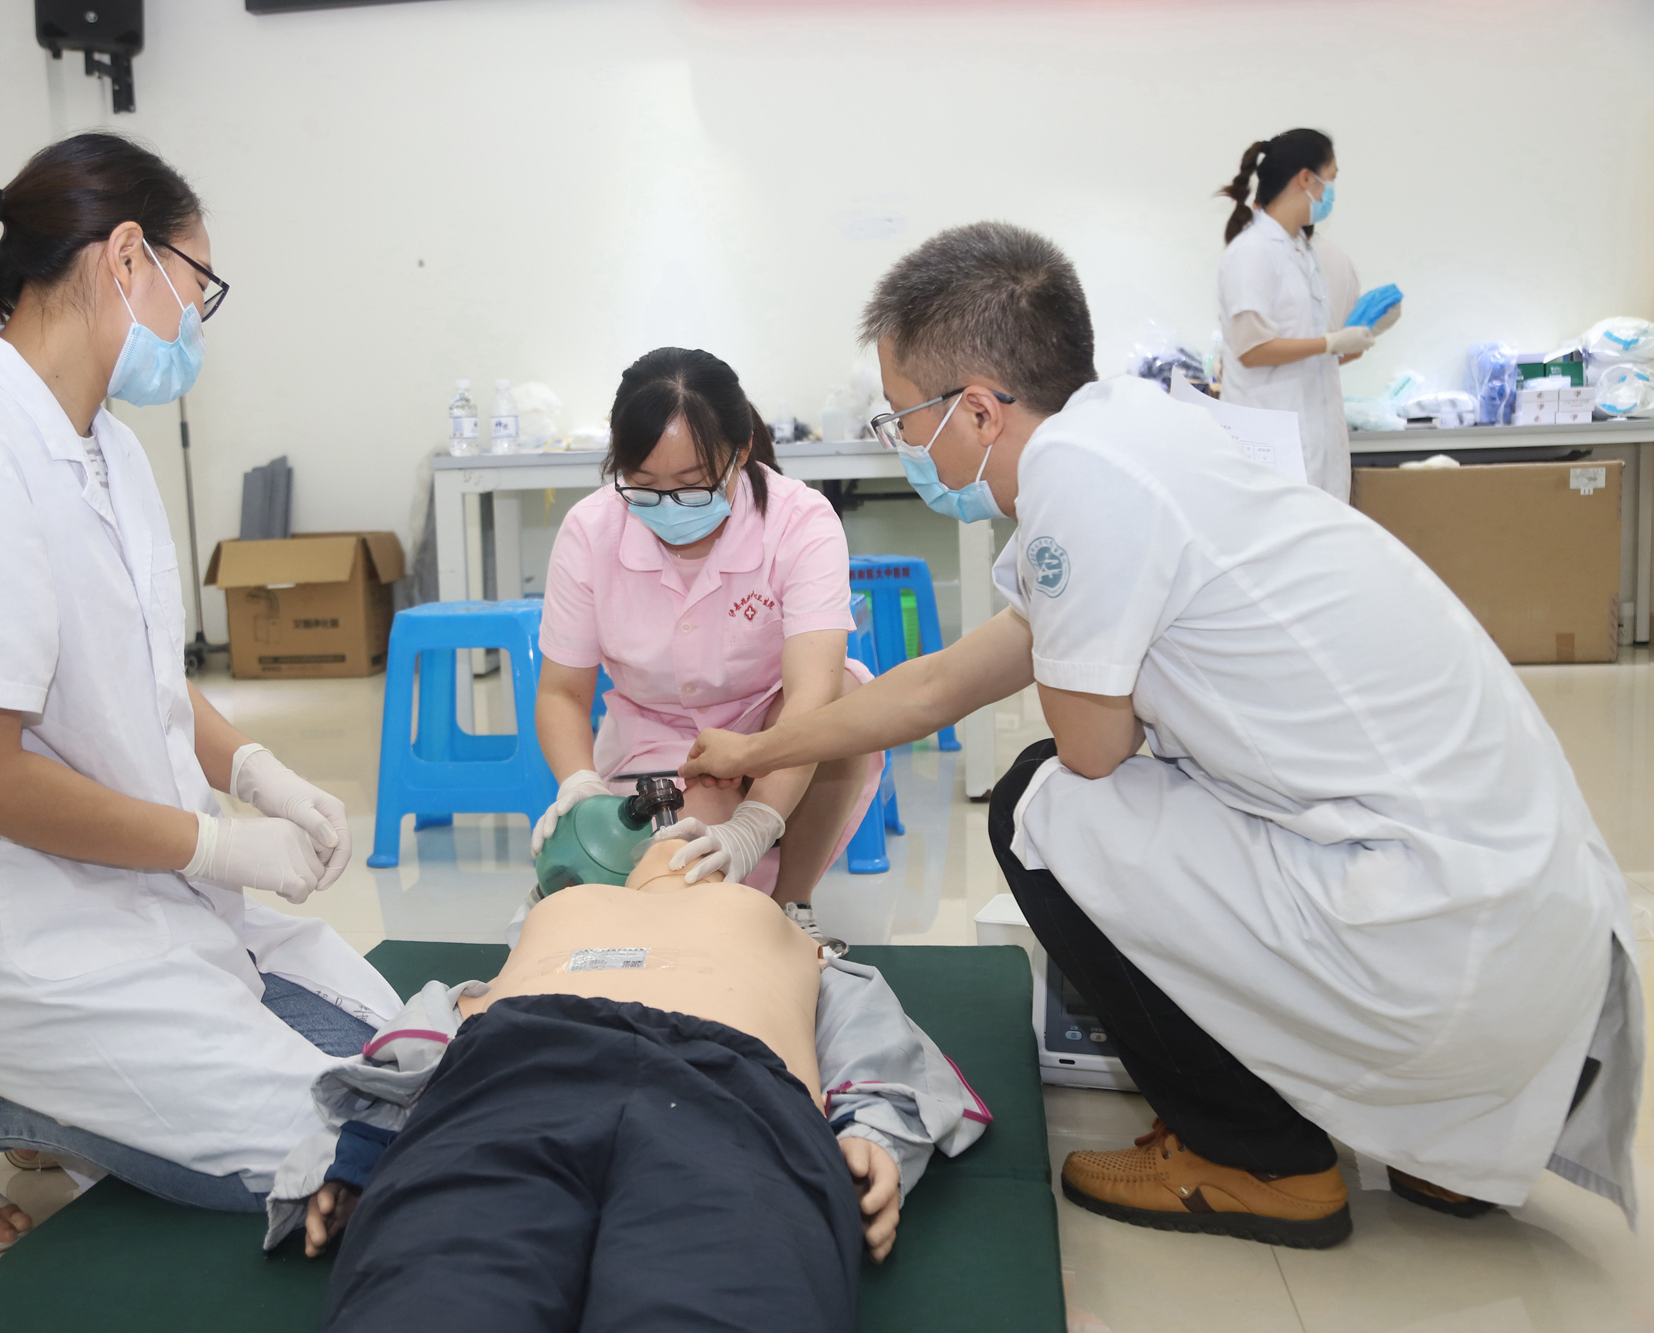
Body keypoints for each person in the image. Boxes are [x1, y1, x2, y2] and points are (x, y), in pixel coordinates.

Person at [682, 221, 1641, 1248]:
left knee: (1041, 803)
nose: (902, 447)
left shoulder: (1079, 482)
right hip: (1513, 907)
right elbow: (936, 686)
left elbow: (1092, 751)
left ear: (977, 409)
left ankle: (1254, 1154)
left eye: (903, 419)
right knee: (1098, 789)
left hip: (1436, 925)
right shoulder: (1131, 430)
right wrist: (752, 753)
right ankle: (1429, 1137)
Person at [0, 132, 401, 1259]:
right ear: (128, 257)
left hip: (128, 884)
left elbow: (137, 671)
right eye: (200, 286)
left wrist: (256, 773)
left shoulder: (105, 447)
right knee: (352, 1156)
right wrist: (217, 846)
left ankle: (20, 1079)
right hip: (13, 923)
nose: (199, 323)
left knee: (394, 1060)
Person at [260, 836, 988, 1333]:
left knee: (722, 1299)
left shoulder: (791, 937)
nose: (675, 835)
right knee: (437, 1297)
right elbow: (428, 1033)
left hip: (727, 1095)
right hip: (512, 1072)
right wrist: (356, 1146)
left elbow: (869, 1024)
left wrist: (875, 1129)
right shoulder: (551, 921)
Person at [531, 348, 883, 950]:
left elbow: (814, 692)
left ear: (740, 454)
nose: (668, 506)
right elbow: (562, 692)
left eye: (692, 487)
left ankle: (791, 903)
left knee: (846, 698)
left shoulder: (800, 520)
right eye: (643, 486)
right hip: (657, 735)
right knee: (684, 878)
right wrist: (579, 785)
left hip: (776, 730)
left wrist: (756, 823)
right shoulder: (591, 530)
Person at [1216, 128, 1380, 501]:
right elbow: (1252, 349)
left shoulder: (1302, 253)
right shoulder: (1253, 252)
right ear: (1306, 179)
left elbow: (1304, 350)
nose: (1330, 192)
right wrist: (1329, 343)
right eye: (1330, 179)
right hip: (1273, 447)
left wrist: (1352, 342)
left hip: (1316, 444)